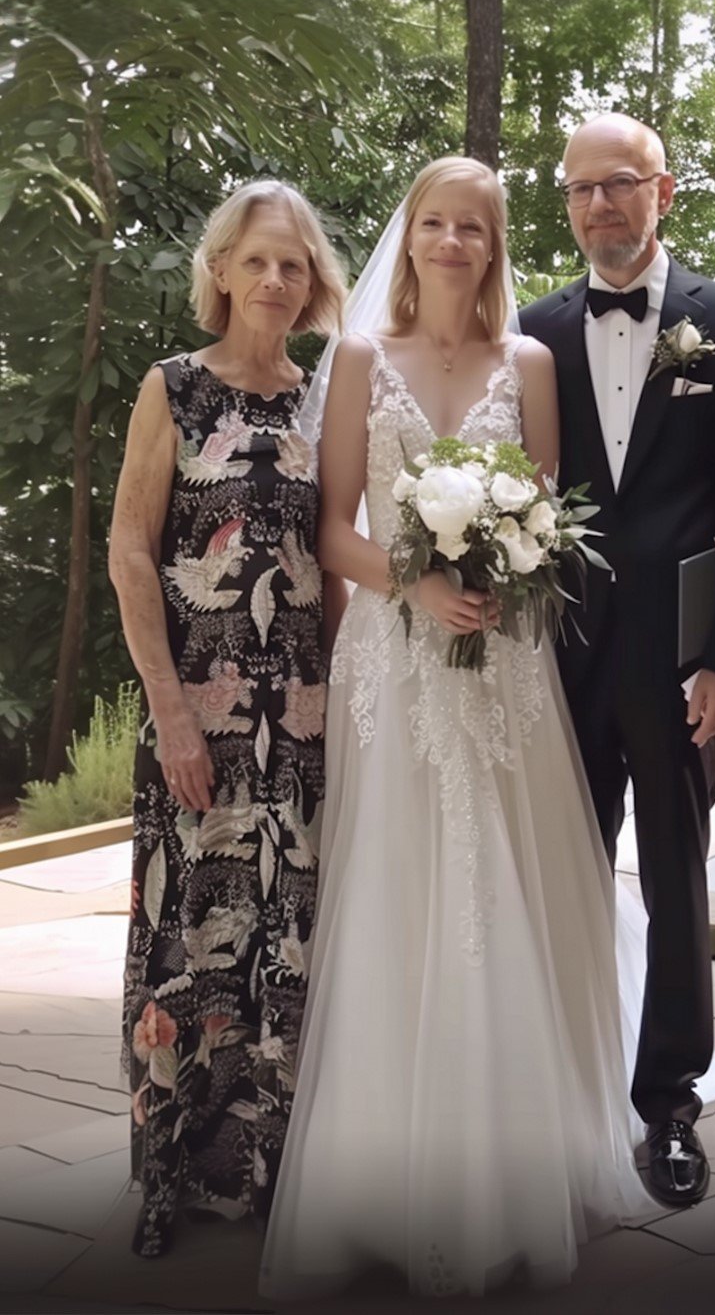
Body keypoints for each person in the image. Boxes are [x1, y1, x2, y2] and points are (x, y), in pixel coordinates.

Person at [259, 156, 648, 1302]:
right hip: (393, 652)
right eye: (434, 222)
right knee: (398, 891)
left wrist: (495, 577)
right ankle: (386, 1182)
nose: (451, 242)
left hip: (501, 663)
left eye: (472, 227)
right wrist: (416, 584)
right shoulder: (359, 361)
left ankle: (514, 1167)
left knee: (503, 891)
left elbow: (544, 516)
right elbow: (331, 528)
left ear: (492, 244)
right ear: (410, 234)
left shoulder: (528, 363)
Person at [519, 114, 715, 1205]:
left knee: (675, 879)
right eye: (579, 190)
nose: (599, 208)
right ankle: (563, 1089)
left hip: (678, 667)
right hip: (560, 656)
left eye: (618, 185)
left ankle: (670, 1103)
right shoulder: (533, 329)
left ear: (662, 191)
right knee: (559, 873)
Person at [108, 180, 347, 1257]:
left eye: (293, 265)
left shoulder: (324, 400)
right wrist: (170, 714)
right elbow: (130, 551)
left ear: (314, 284)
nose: (273, 280)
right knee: (187, 939)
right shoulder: (175, 391)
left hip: (295, 728)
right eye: (256, 260)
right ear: (220, 270)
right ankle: (167, 1174)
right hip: (196, 720)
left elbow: (332, 568)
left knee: (280, 946)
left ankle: (260, 1174)